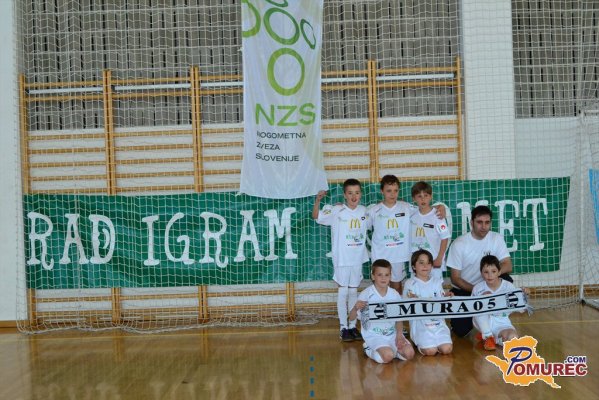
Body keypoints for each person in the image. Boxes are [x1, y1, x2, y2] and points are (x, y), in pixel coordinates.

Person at [313, 178, 371, 342]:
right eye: (350, 193)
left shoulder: (364, 211)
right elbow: (316, 216)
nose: (354, 196)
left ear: (361, 194)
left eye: (357, 193)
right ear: (345, 195)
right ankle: (343, 327)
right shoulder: (337, 210)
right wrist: (318, 200)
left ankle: (352, 326)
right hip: (342, 259)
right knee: (343, 292)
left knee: (353, 292)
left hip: (357, 259)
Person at [446, 205, 513, 337]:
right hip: (466, 289)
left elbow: (507, 265)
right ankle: (480, 322)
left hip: (490, 287)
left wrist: (492, 278)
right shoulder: (459, 244)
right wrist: (479, 291)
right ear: (472, 223)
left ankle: (498, 322)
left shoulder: (496, 238)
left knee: (506, 280)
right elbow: (455, 278)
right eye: (479, 222)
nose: (483, 226)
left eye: (487, 222)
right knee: (461, 330)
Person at [349, 258, 415, 363]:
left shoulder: (394, 294)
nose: (383, 278)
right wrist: (355, 308)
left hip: (392, 334)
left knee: (409, 353)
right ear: (373, 276)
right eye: (380, 275)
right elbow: (351, 318)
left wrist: (399, 335)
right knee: (388, 356)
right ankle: (368, 348)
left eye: (386, 275)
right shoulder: (366, 294)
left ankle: (394, 352)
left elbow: (399, 319)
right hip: (375, 336)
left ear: (390, 276)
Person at [368, 175, 413, 293]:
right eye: (389, 191)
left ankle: (397, 306)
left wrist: (439, 207)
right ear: (381, 191)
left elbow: (424, 210)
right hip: (380, 255)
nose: (392, 194)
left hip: (398, 255)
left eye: (395, 190)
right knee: (379, 287)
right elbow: (361, 225)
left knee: (397, 286)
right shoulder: (374, 210)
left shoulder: (406, 207)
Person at [403, 249, 453, 356]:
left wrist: (447, 297)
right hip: (421, 325)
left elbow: (442, 300)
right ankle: (420, 342)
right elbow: (405, 306)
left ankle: (437, 341)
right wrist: (412, 300)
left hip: (438, 323)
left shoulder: (436, 282)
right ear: (413, 266)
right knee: (430, 351)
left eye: (428, 263)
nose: (425, 266)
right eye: (421, 263)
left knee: (447, 349)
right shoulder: (410, 283)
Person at [472, 255, 522, 350]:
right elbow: (472, 309)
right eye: (486, 272)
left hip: (502, 321)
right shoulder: (478, 288)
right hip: (484, 321)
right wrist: (482, 299)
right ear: (481, 273)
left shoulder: (508, 287)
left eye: (493, 271)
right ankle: (487, 335)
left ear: (499, 272)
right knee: (481, 305)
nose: (490, 275)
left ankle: (492, 338)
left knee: (513, 338)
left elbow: (519, 308)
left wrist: (523, 295)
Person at [410, 181, 451, 280]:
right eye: (419, 196)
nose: (423, 199)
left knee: (435, 287)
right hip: (416, 263)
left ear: (431, 196)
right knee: (417, 287)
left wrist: (439, 258)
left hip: (433, 261)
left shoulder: (438, 215)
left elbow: (445, 238)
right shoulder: (411, 214)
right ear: (414, 198)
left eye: (426, 195)